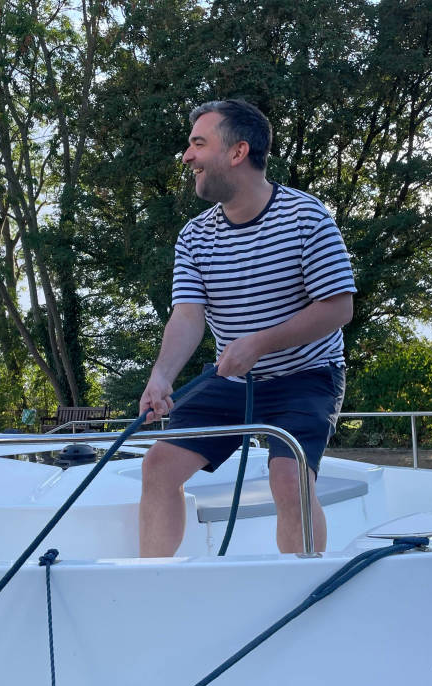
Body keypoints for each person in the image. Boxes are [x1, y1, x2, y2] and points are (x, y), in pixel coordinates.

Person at [138, 100, 356, 557]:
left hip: (307, 376)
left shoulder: (306, 217)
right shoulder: (194, 236)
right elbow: (188, 314)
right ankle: (152, 585)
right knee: (159, 465)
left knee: (289, 478)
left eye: (198, 143)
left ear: (237, 152)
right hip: (232, 379)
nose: (186, 156)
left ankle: (303, 593)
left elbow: (337, 307)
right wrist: (161, 377)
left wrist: (260, 343)